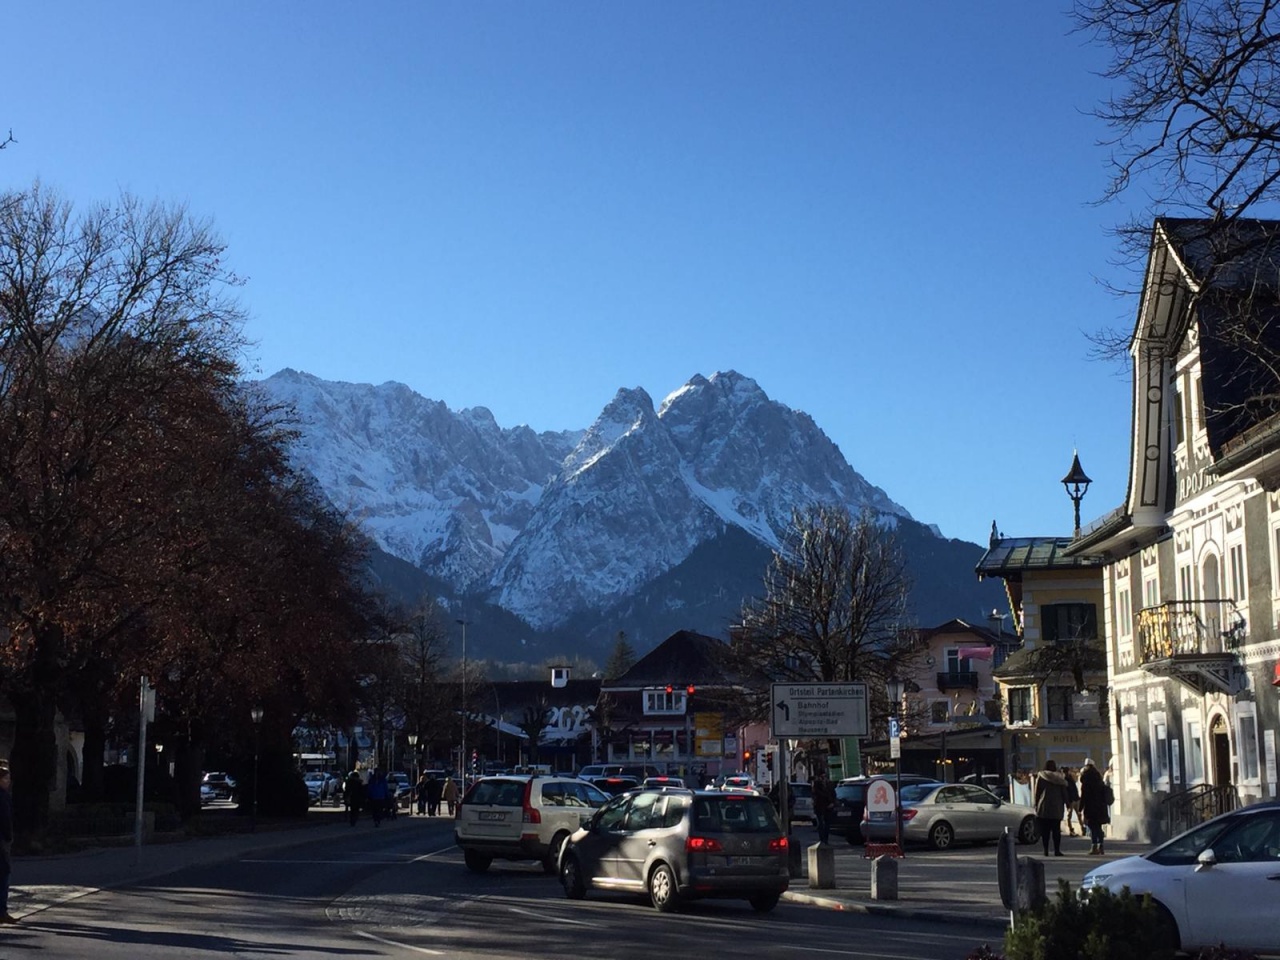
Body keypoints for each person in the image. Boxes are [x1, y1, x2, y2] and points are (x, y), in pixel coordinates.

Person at [1032, 759, 1068, 857]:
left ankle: (1046, 850)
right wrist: (1067, 803)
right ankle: (1057, 850)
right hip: (1057, 808)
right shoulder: (1060, 778)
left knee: (1045, 831)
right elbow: (1064, 792)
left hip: (1044, 808)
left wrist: (1035, 804)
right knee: (1056, 831)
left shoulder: (1041, 776)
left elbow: (1037, 792)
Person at [1078, 757, 1111, 855]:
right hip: (1100, 806)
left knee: (1093, 827)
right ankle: (1101, 845)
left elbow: (1083, 796)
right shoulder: (1099, 778)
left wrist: (1080, 808)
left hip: (1090, 807)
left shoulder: (1085, 780)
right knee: (1098, 826)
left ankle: (1094, 847)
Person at [0, 764, 15, 924]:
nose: (8, 781)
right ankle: (1, 911)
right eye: (6, 778)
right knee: (4, 875)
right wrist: (9, 837)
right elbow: (5, 820)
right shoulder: (3, 797)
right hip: (1, 842)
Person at [811, 772, 836, 845]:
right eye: (822, 777)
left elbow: (834, 794)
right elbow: (816, 793)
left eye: (824, 777)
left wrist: (832, 803)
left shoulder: (830, 784)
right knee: (820, 823)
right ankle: (822, 839)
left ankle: (826, 839)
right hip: (819, 806)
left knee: (827, 824)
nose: (823, 778)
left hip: (828, 806)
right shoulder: (816, 784)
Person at [1063, 767, 1081, 836]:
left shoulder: (1069, 779)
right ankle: (1071, 830)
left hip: (1074, 799)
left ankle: (1082, 828)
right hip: (1071, 800)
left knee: (1078, 815)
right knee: (1069, 816)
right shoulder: (1066, 780)